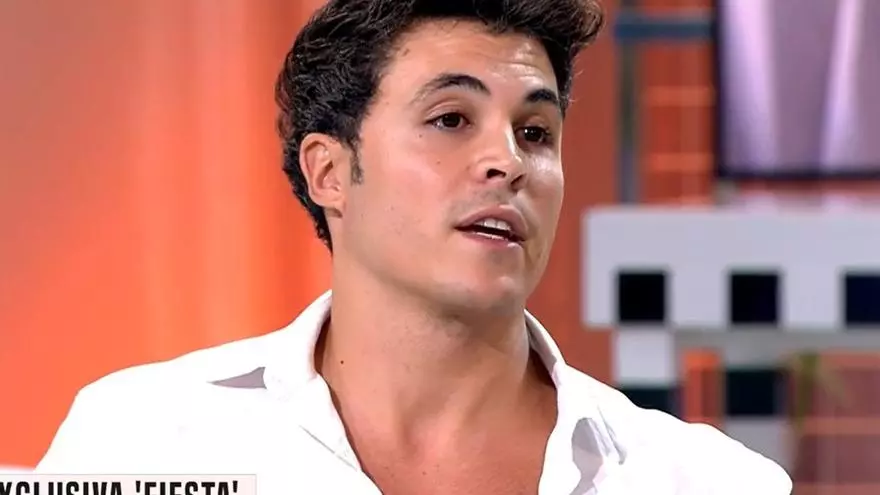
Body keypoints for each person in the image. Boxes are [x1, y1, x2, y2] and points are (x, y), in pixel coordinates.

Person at [36, 0, 793, 493]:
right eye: (450, 119)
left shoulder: (707, 482)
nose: (507, 162)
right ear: (330, 172)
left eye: (535, 132)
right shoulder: (139, 438)